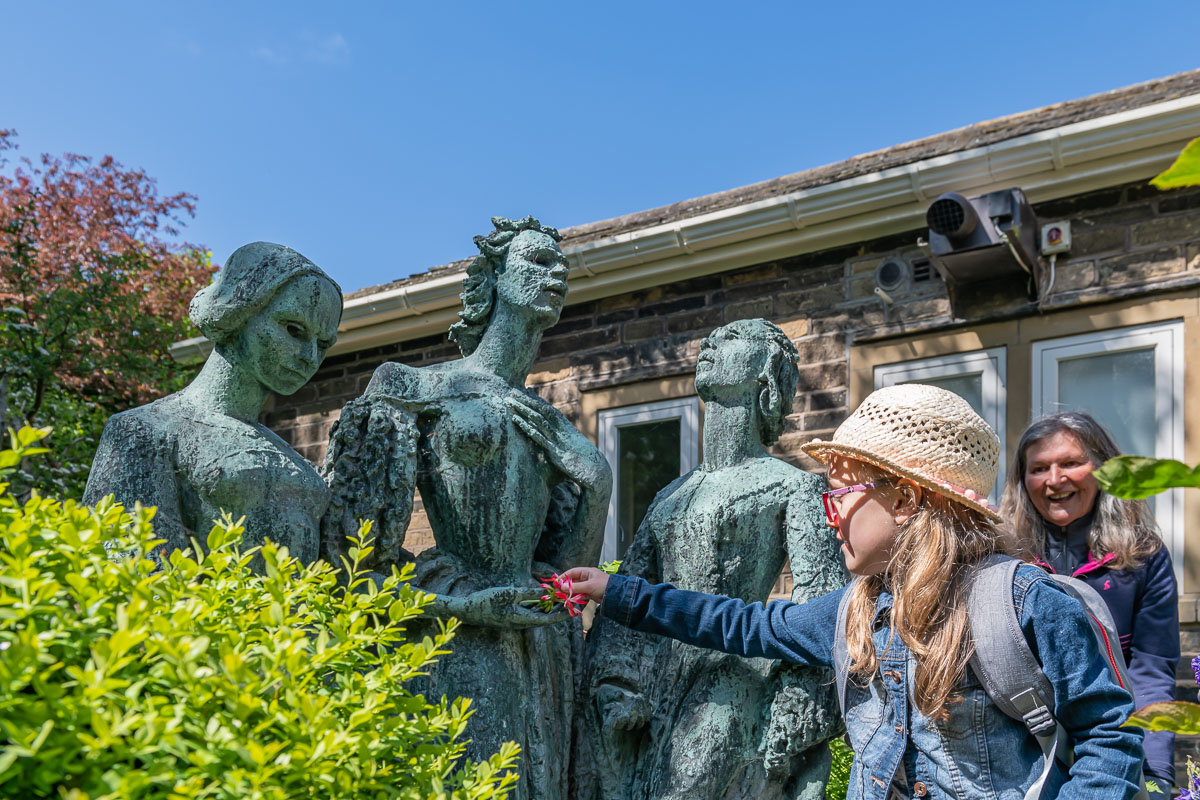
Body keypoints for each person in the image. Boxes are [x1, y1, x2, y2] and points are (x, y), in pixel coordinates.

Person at [565, 384, 1145, 800]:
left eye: (841, 494)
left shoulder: (1024, 604)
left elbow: (1109, 737)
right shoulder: (853, 612)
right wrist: (618, 591)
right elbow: (746, 624)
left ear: (906, 500)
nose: (830, 516)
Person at [344, 216, 613, 800]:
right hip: (460, 631)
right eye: (539, 262)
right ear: (494, 279)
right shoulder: (411, 387)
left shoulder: (547, 422)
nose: (557, 273)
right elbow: (355, 568)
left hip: (539, 641)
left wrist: (597, 479)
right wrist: (466, 607)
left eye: (561, 265)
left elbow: (571, 575)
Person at [581, 319, 846, 800]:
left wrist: (788, 715)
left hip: (732, 679)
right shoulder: (669, 496)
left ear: (764, 371)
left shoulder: (794, 486)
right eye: (712, 338)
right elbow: (626, 607)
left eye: (731, 339)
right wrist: (615, 682)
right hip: (657, 683)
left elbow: (821, 609)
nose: (710, 344)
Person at [84, 242, 343, 569]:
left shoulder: (298, 463)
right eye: (293, 329)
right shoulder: (144, 431)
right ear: (240, 311)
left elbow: (335, 580)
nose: (309, 357)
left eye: (323, 344)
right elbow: (132, 572)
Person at [1001, 411, 1179, 793]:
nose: (1054, 480)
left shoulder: (1143, 555)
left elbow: (1151, 668)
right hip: (1023, 761)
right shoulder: (1002, 557)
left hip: (1114, 749)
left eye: (1070, 463)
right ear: (1021, 480)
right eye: (1039, 468)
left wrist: (1156, 772)